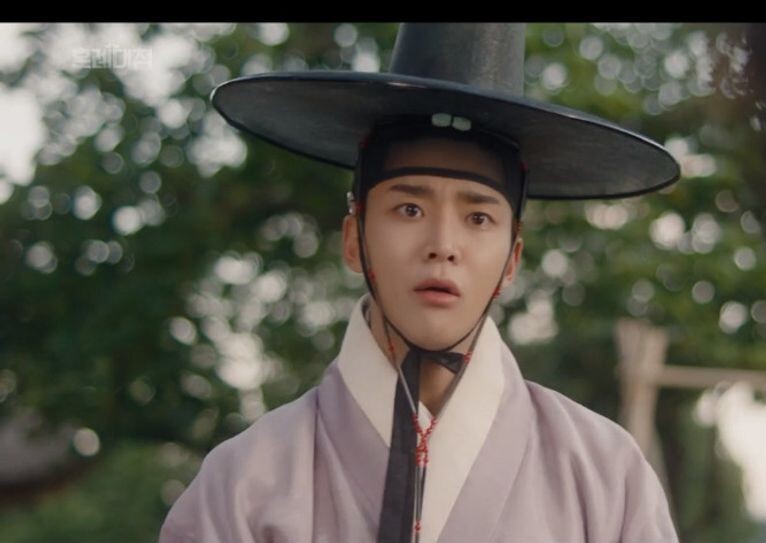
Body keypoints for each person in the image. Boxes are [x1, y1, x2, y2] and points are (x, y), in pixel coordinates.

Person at [160, 23, 681, 543]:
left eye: (478, 218)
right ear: (353, 239)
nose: (443, 245)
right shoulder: (243, 486)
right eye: (409, 209)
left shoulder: (606, 477)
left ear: (512, 260)